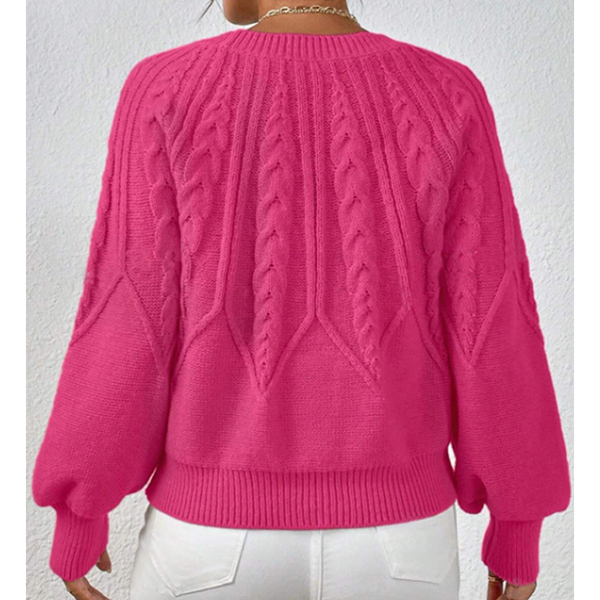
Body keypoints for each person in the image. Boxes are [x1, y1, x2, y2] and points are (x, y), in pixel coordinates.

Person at [31, 1, 571, 599]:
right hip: (400, 545)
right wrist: (517, 523)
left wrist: (80, 507)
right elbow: (490, 322)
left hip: (212, 538)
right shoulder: (449, 92)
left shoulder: (163, 88)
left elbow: (129, 319)